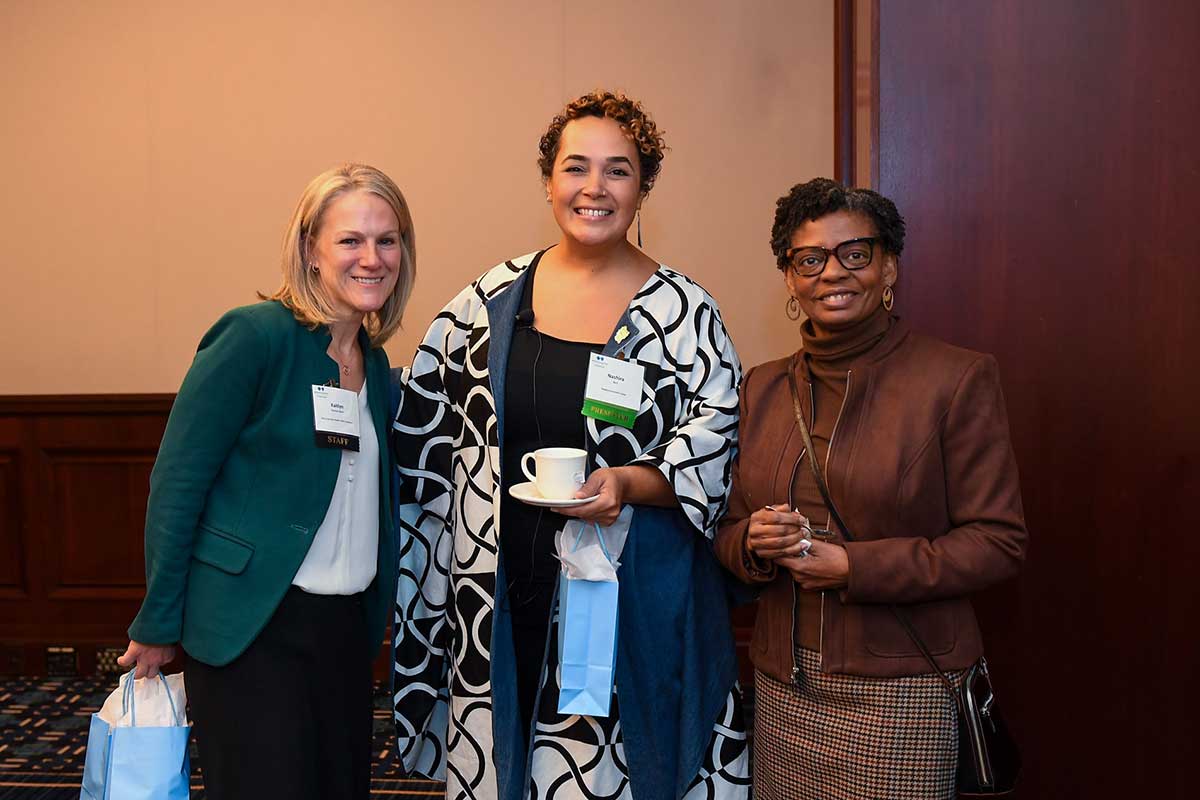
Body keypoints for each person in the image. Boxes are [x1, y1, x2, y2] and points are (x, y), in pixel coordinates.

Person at [391, 91, 750, 799]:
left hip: (622, 588)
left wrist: (629, 484)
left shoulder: (682, 313)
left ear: (644, 186)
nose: (594, 187)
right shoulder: (489, 300)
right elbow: (421, 424)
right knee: (503, 752)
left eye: (618, 170)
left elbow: (714, 440)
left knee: (602, 767)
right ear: (548, 180)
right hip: (495, 586)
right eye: (575, 167)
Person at [714, 177, 1027, 799]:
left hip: (901, 692)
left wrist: (855, 566)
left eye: (854, 254)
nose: (832, 273)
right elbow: (722, 529)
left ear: (888, 268)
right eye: (810, 259)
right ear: (789, 278)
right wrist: (752, 540)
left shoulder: (955, 378)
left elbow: (999, 541)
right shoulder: (762, 388)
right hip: (782, 690)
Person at [118, 163, 416, 800]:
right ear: (311, 250)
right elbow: (177, 483)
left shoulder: (379, 362)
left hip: (343, 630)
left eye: (387, 240)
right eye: (351, 241)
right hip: (252, 625)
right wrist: (159, 618)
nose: (373, 258)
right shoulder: (254, 337)